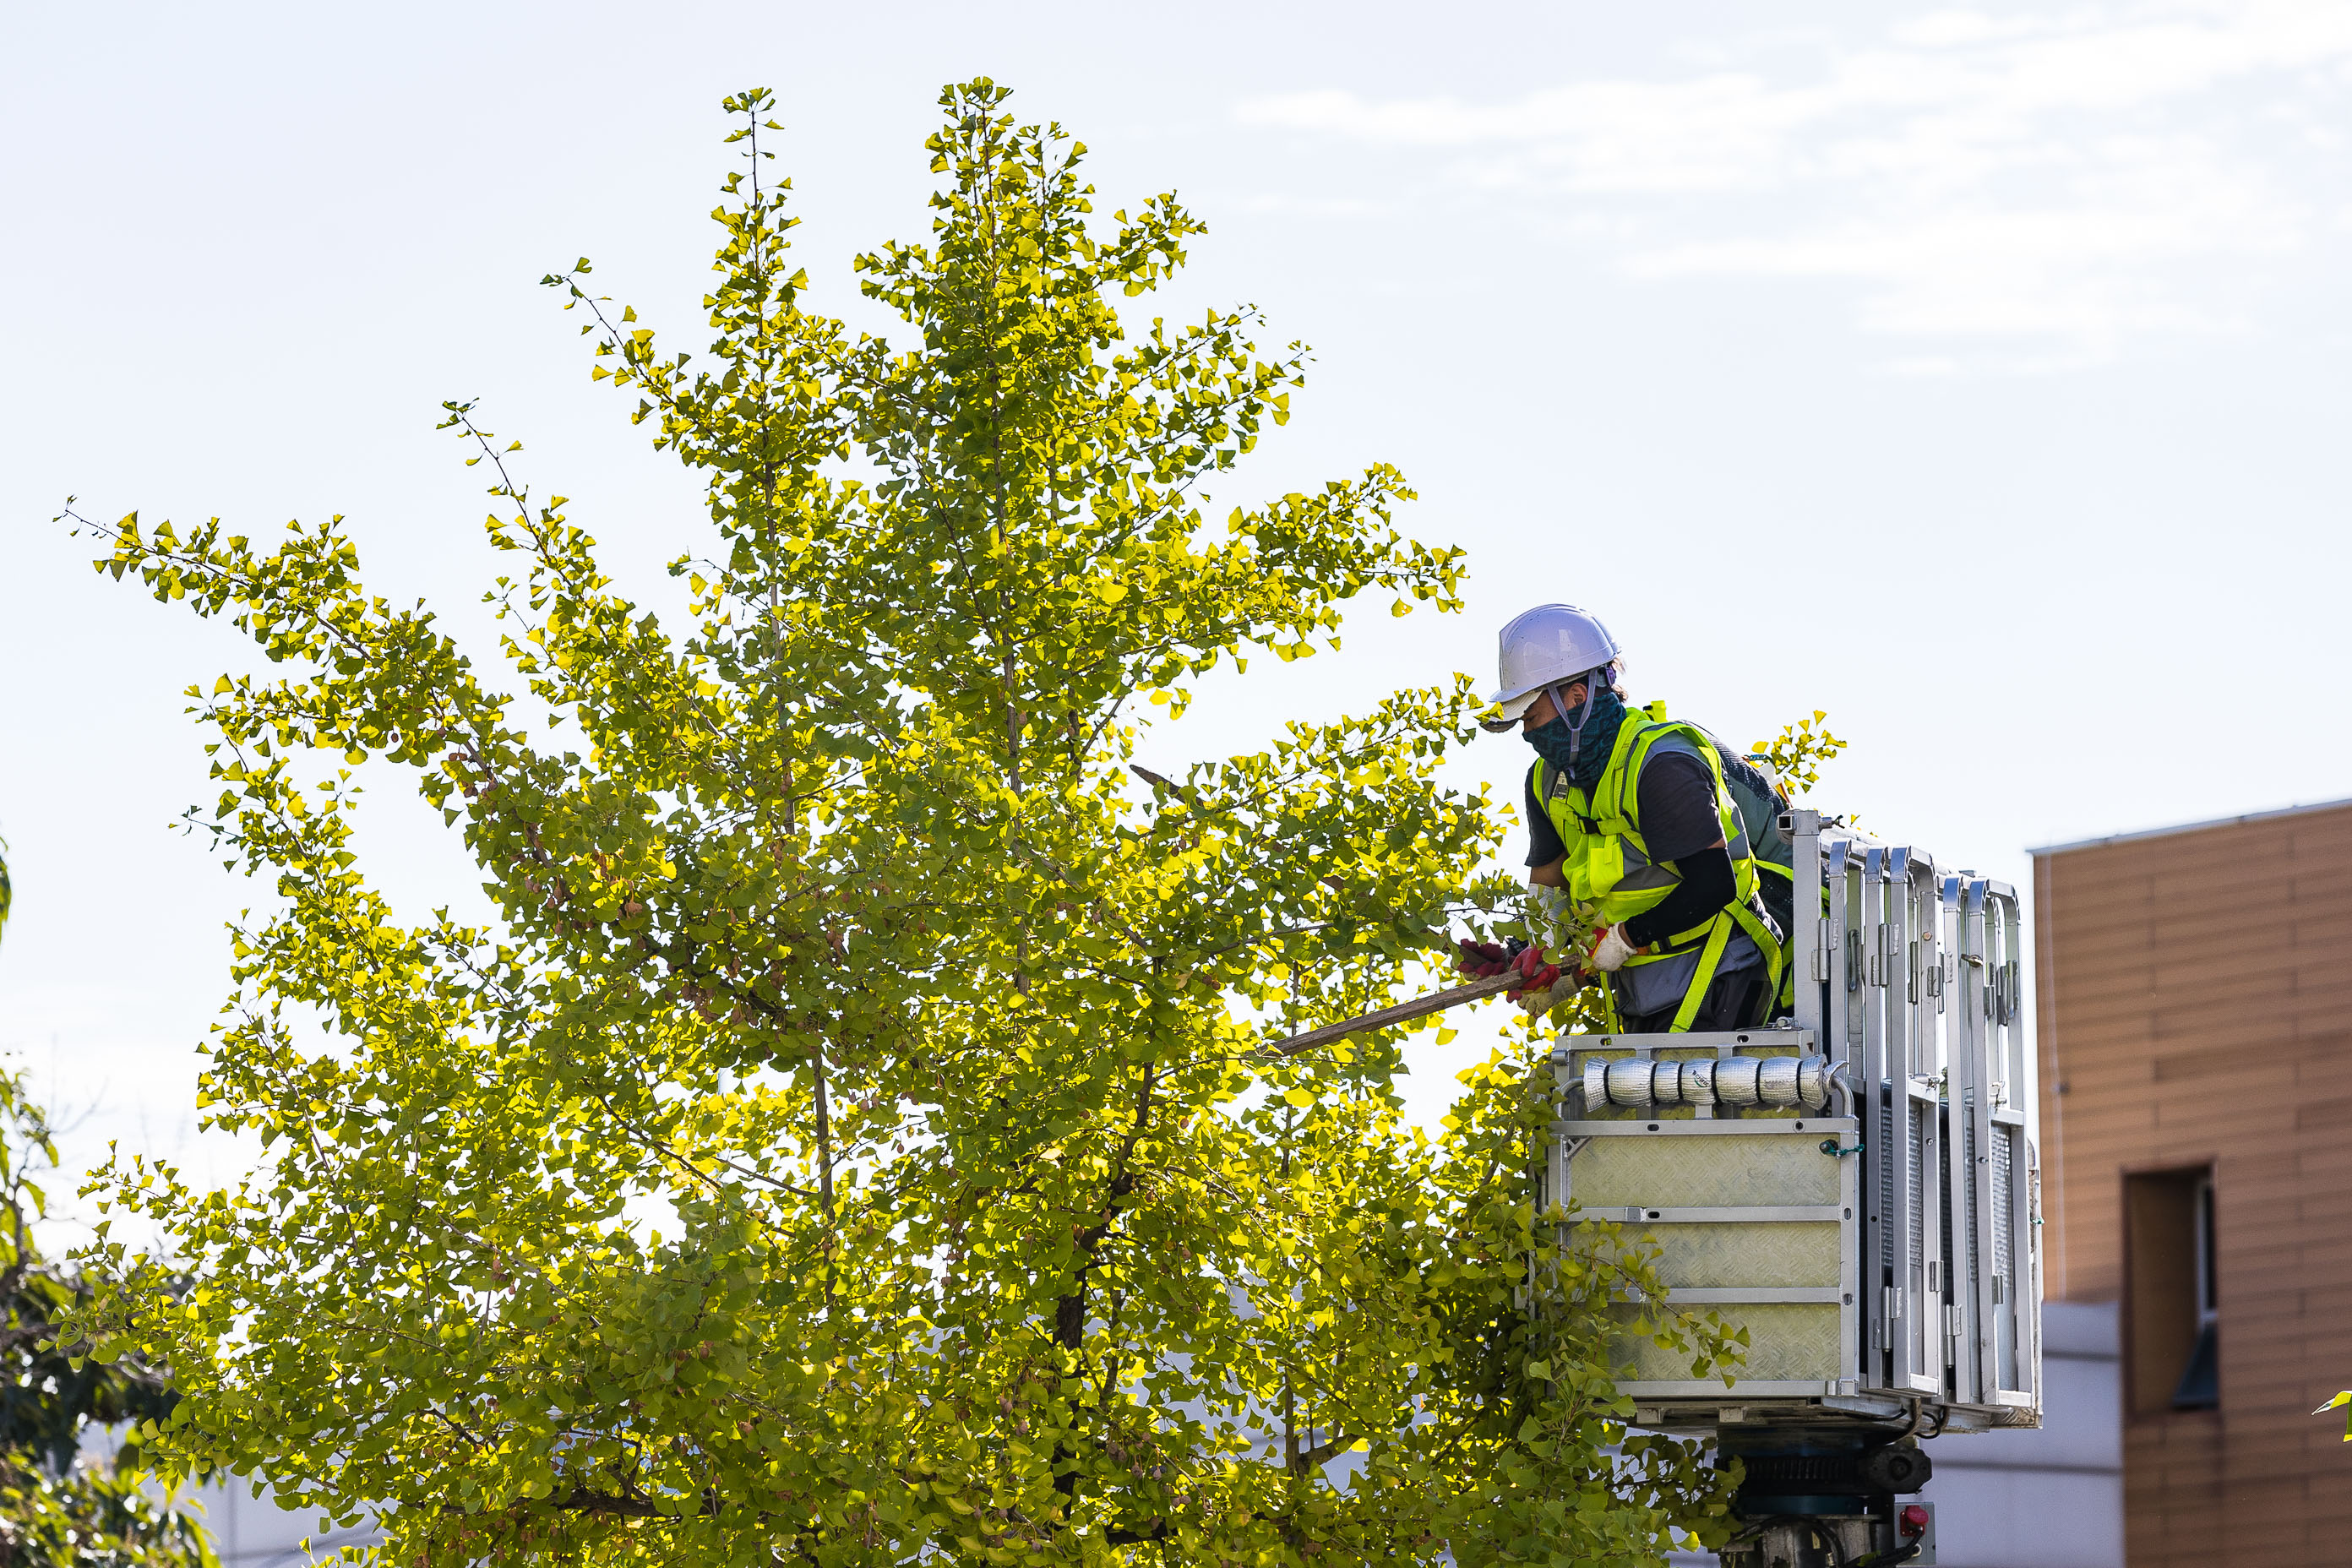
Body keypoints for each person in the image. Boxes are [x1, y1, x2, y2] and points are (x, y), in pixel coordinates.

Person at [1456, 603, 1789, 1034]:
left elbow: (1714, 884)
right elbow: (1551, 895)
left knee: (1683, 1096)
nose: (1527, 732)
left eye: (1532, 716)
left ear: (1576, 696)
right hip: (1640, 979)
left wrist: (1625, 938)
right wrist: (1532, 957)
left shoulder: (1661, 766)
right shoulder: (1545, 782)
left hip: (1723, 965)